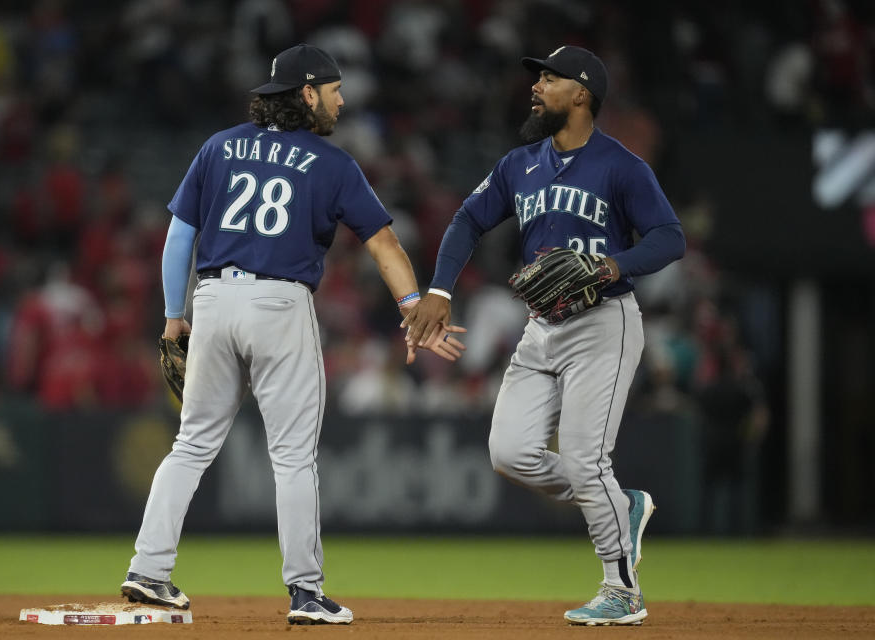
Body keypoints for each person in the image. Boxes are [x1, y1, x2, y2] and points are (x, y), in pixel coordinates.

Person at [120, 43, 464, 625]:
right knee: (293, 457)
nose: (341, 99)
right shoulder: (332, 164)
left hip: (212, 300)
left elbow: (180, 235)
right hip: (279, 302)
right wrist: (413, 308)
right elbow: (383, 244)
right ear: (307, 93)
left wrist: (174, 315)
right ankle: (305, 593)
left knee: (192, 443)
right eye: (333, 89)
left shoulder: (219, 145)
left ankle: (148, 571)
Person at [403, 45, 685, 626]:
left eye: (550, 79)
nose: (536, 87)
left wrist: (611, 266)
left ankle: (621, 591)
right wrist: (440, 290)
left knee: (585, 459)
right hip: (543, 326)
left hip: (604, 322)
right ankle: (620, 505)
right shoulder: (519, 164)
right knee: (509, 453)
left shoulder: (621, 166)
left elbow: (669, 237)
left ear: (582, 94)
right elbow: (467, 220)